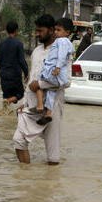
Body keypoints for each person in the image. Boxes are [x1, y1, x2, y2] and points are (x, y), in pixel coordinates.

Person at [13, 14, 71, 165]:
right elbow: (31, 78)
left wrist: (41, 85)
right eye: (36, 31)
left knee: (52, 157)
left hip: (52, 107)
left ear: (52, 30)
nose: (37, 34)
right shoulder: (36, 51)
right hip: (32, 105)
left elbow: (66, 81)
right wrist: (24, 102)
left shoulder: (62, 50)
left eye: (40, 31)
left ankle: (50, 185)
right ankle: (26, 180)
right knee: (19, 141)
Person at [32, 18, 74, 125]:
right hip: (33, 107)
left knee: (39, 85)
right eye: (56, 30)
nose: (56, 32)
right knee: (51, 92)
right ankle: (47, 112)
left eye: (58, 30)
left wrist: (57, 68)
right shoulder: (36, 51)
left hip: (54, 76)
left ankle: (42, 107)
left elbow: (66, 81)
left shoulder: (62, 42)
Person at [0, 21, 28, 114]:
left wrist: (2, 70)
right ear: (16, 30)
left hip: (3, 74)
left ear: (6, 30)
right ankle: (9, 102)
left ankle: (4, 113)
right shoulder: (18, 44)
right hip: (14, 74)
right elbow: (22, 61)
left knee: (6, 95)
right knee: (20, 94)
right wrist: (26, 73)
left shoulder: (1, 44)